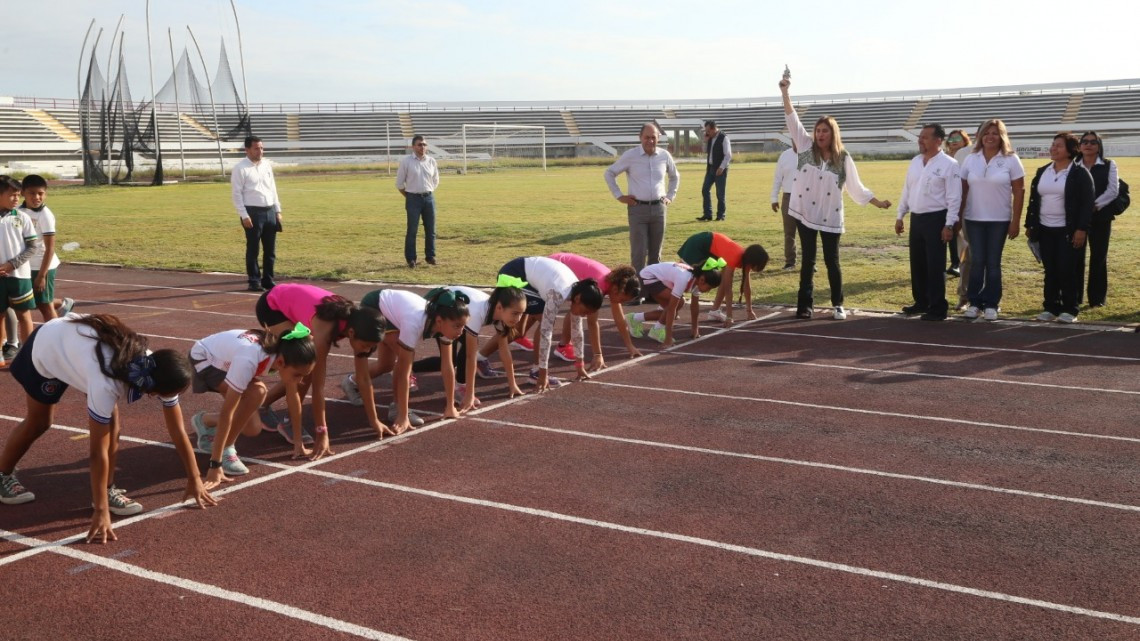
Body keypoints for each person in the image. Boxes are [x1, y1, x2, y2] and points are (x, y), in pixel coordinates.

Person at [0, 313, 217, 543]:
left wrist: (194, 478)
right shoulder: (106, 382)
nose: (175, 397)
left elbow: (177, 430)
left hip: (77, 352)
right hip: (47, 350)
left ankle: (107, 489)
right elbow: (97, 452)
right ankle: (2, 475)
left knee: (113, 424)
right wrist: (100, 513)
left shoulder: (155, 368)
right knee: (40, 422)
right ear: (153, 390)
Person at [778, 76, 891, 320]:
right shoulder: (805, 147)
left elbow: (855, 187)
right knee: (808, 259)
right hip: (805, 213)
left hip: (830, 216)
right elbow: (792, 119)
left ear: (833, 134)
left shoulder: (843, 158)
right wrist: (785, 93)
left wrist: (878, 202)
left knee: (832, 260)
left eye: (824, 131)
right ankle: (804, 305)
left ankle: (837, 303)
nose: (820, 134)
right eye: (817, 130)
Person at [255, 283, 386, 457]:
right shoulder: (326, 330)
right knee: (303, 368)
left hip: (294, 302)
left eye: (371, 347)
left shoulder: (360, 326)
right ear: (352, 333)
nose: (366, 350)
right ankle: (288, 422)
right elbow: (319, 388)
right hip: (272, 306)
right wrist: (322, 432)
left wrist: (374, 420)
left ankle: (262, 405)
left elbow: (363, 379)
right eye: (365, 346)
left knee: (306, 366)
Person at [188, 325, 318, 484]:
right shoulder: (248, 359)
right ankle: (226, 449)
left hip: (227, 358)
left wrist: (298, 442)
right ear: (281, 362)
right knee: (258, 392)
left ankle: (204, 421)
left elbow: (293, 397)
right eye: (297, 375)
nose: (300, 380)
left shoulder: (286, 353)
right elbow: (227, 412)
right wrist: (215, 465)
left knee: (252, 428)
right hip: (206, 359)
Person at [349, 288, 470, 434]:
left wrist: (450, 406)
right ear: (439, 321)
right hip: (375, 305)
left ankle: (351, 381)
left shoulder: (444, 325)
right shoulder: (414, 323)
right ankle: (397, 410)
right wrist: (403, 416)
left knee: (386, 364)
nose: (461, 331)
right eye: (457, 326)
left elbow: (447, 365)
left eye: (463, 326)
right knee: (405, 357)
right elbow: (403, 373)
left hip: (394, 309)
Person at [409, 280, 529, 409]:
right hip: (445, 308)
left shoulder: (501, 314)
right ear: (500, 307)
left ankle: (458, 385)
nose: (518, 319)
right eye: (515, 313)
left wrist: (512, 384)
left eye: (521, 314)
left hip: (459, 313)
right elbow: (471, 357)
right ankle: (409, 371)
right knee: (451, 358)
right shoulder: (477, 314)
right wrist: (470, 394)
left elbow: (505, 350)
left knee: (456, 357)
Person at [496, 256, 604, 391]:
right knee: (545, 320)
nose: (584, 315)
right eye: (585, 311)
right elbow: (546, 333)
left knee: (545, 318)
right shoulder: (558, 293)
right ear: (577, 299)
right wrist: (543, 374)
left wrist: (580, 365)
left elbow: (577, 330)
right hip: (512, 275)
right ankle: (536, 372)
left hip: (528, 276)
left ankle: (482, 356)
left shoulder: (578, 291)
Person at [958, 119, 1025, 321]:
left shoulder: (1011, 159)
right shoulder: (971, 159)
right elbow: (962, 190)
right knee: (977, 261)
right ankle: (974, 302)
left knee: (993, 263)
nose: (990, 137)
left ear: (1002, 136)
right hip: (973, 218)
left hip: (999, 220)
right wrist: (957, 218)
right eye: (986, 133)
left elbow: (1019, 191)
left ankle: (992, 304)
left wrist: (1015, 221)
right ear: (980, 136)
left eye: (995, 133)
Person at [1025, 133, 1094, 324]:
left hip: (1068, 230)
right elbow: (1034, 200)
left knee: (1067, 269)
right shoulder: (1042, 171)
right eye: (1053, 145)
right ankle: (1050, 307)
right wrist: (1030, 224)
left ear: (1071, 151)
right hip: (1045, 229)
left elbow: (1087, 204)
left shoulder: (1080, 174)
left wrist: (1081, 229)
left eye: (1059, 146)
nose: (1053, 149)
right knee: (1050, 269)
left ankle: (1070, 309)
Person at [895, 124, 962, 321]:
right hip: (917, 218)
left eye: (925, 137)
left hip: (936, 218)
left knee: (935, 265)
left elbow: (954, 197)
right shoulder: (915, 161)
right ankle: (921, 302)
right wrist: (900, 215)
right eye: (920, 137)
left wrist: (949, 224)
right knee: (917, 263)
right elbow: (907, 189)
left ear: (938, 141)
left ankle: (938, 306)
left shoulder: (949, 164)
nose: (920, 140)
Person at [604, 123, 680, 278]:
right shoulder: (630, 156)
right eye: (647, 137)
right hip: (637, 209)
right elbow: (609, 173)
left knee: (655, 254)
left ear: (658, 138)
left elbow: (675, 176)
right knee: (638, 253)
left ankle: (653, 292)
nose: (650, 141)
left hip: (659, 209)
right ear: (640, 138)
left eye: (653, 137)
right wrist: (619, 196)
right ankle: (638, 292)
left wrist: (670, 196)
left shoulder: (664, 155)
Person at [549, 252, 643, 369]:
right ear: (615, 290)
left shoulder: (615, 283)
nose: (622, 303)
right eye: (623, 299)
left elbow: (619, 318)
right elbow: (592, 323)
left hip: (559, 262)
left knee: (577, 309)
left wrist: (630, 346)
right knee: (542, 308)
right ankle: (561, 346)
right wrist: (598, 355)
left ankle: (562, 344)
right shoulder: (599, 286)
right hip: (554, 265)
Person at [676, 231, 768, 326]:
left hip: (710, 248)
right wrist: (729, 317)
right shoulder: (735, 257)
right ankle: (666, 303)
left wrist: (749, 310)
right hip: (699, 243)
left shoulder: (746, 261)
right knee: (686, 275)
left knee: (721, 279)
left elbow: (746, 286)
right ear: (753, 261)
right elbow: (728, 289)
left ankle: (714, 311)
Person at [19, 175, 75, 325]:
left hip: (43, 266)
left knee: (44, 305)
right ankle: (62, 304)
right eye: (32, 193)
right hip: (25, 265)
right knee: (27, 301)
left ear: (45, 194)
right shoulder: (18, 211)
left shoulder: (45, 215)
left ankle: (56, 337)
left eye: (40, 193)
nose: (36, 197)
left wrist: (42, 276)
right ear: (22, 192)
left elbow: (50, 248)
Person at [627, 261, 722, 347]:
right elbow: (672, 308)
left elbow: (694, 306)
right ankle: (657, 329)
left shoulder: (697, 280)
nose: (708, 291)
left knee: (671, 311)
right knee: (678, 304)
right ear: (702, 280)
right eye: (709, 288)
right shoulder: (684, 279)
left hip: (660, 278)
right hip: (649, 277)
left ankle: (635, 318)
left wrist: (695, 329)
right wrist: (668, 339)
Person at [231, 136, 282, 292]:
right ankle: (254, 280)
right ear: (247, 150)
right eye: (256, 148)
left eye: (261, 148)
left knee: (270, 250)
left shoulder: (266, 165)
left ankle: (268, 279)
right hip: (252, 212)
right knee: (253, 249)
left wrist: (278, 210)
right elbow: (236, 194)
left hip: (269, 210)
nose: (260, 151)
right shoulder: (240, 168)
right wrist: (244, 215)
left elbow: (272, 188)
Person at [1076, 131, 1121, 308]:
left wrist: (1093, 206)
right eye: (1085, 142)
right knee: (1076, 257)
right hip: (1077, 219)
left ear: (1099, 146)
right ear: (1079, 146)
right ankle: (1075, 297)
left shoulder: (1109, 165)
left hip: (1101, 217)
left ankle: (1096, 299)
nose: (1088, 145)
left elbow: (1113, 190)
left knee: (1099, 256)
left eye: (1093, 142)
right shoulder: (1073, 166)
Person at [0, 175, 39, 369]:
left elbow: (32, 247)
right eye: (12, 195)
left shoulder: (22, 217)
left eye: (18, 195)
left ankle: (28, 354)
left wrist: (12, 264)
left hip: (19, 275)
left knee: (24, 315)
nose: (17, 198)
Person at [396, 135, 440, 268]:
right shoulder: (406, 162)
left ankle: (430, 256)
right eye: (420, 144)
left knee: (431, 229)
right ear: (413, 147)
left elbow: (436, 180)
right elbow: (399, 183)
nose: (423, 147)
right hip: (413, 199)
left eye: (424, 144)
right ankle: (411, 258)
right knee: (412, 230)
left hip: (429, 198)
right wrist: (409, 196)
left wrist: (428, 191)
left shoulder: (431, 161)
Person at [945, 129, 974, 308]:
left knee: (974, 256)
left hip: (970, 210)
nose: (954, 141)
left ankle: (976, 296)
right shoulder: (943, 158)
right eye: (951, 138)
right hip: (951, 211)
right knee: (965, 255)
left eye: (958, 138)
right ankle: (964, 295)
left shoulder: (969, 155)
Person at [770, 146, 799, 270]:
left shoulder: (813, 153)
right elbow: (778, 178)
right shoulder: (785, 155)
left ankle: (810, 262)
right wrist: (774, 198)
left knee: (808, 233)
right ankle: (790, 261)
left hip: (807, 198)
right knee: (789, 233)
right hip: (788, 197)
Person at [697, 120, 732, 221]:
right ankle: (707, 214)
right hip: (710, 169)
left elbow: (728, 155)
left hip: (720, 169)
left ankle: (721, 215)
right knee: (705, 189)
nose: (706, 132)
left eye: (708, 130)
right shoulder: (710, 138)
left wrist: (722, 167)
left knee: (720, 194)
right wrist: (705, 141)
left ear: (713, 128)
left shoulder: (724, 138)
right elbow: (704, 152)